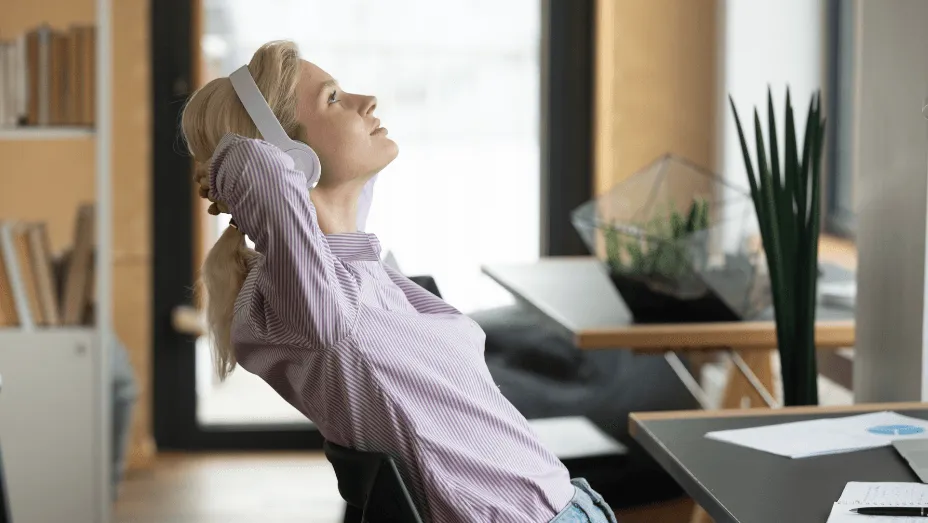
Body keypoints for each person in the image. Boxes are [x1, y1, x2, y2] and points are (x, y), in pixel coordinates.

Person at [180, 40, 617, 523]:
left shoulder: (358, 273)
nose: (366, 101)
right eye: (333, 98)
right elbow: (269, 186)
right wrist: (251, 164)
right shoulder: (314, 307)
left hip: (569, 503)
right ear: (288, 157)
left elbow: (338, 224)